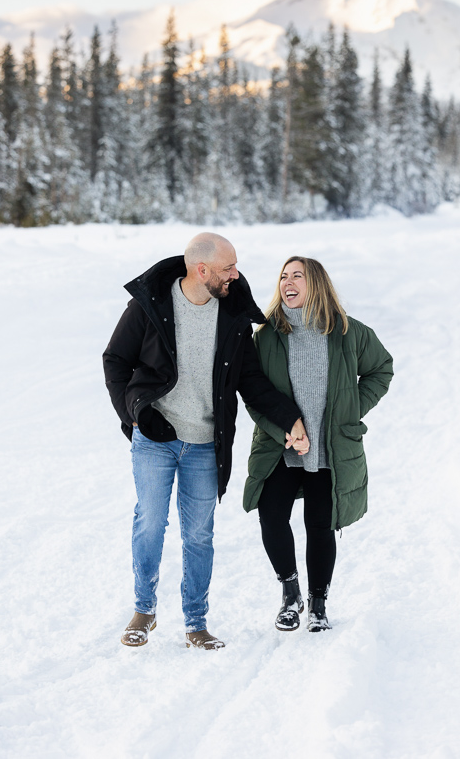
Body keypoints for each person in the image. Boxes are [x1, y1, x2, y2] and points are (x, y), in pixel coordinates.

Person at [103, 234, 309, 650]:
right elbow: (115, 361)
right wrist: (136, 415)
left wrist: (289, 417)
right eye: (227, 268)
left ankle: (196, 622)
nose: (236, 274)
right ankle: (144, 611)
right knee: (150, 523)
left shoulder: (231, 315)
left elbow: (251, 382)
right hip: (155, 439)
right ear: (202, 270)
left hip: (204, 445)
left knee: (198, 535)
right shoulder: (150, 305)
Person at [243, 256, 393, 633]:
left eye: (298, 276)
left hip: (329, 449)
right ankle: (290, 592)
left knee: (320, 525)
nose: (287, 282)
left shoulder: (347, 331)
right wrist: (284, 432)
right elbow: (254, 394)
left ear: (317, 285)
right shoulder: (266, 336)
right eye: (283, 276)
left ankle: (318, 604)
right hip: (281, 447)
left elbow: (381, 368)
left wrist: (351, 409)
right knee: (271, 515)